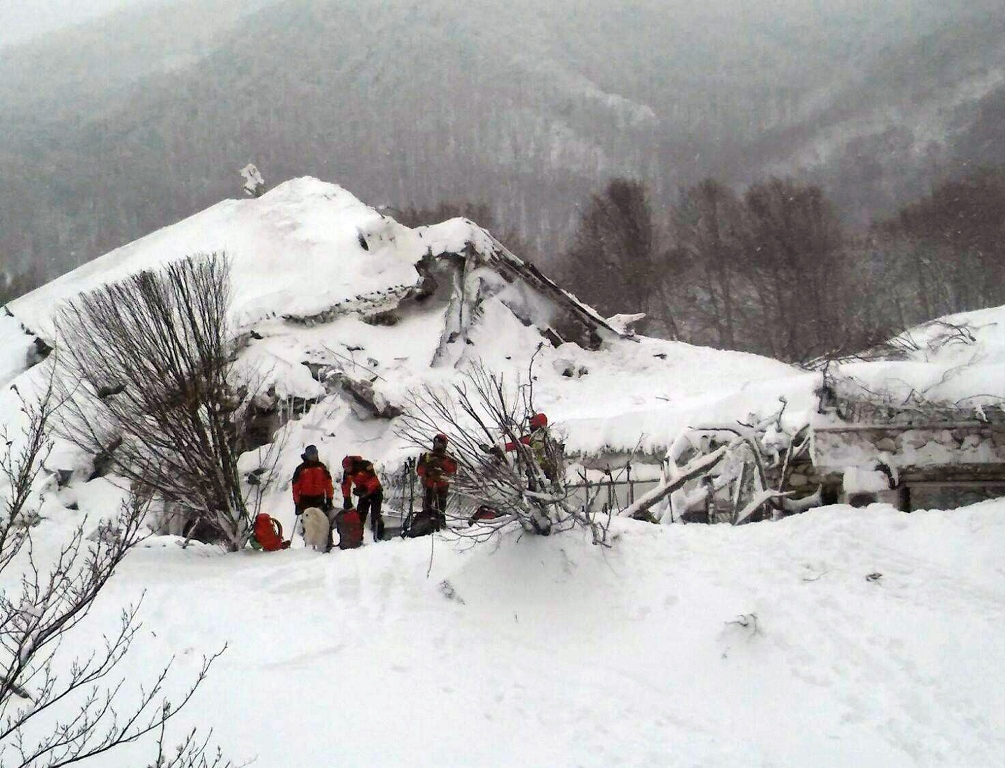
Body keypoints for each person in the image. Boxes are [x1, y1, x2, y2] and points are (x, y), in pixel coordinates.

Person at [416, 433, 458, 530]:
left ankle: (441, 526)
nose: (438, 446)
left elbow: (453, 469)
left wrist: (441, 464)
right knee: (427, 508)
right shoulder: (427, 456)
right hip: (429, 485)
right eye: (436, 443)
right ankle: (426, 526)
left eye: (440, 444)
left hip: (442, 486)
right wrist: (428, 468)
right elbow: (419, 470)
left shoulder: (448, 458)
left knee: (441, 509)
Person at [291, 444, 335, 535]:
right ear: (307, 455)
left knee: (323, 522)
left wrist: (329, 498)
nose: (314, 456)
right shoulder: (301, 469)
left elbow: (328, 484)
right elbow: (295, 487)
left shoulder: (321, 467)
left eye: (315, 453)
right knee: (308, 523)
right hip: (305, 499)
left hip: (319, 498)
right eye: (311, 454)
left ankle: (325, 543)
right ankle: (307, 544)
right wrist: (297, 503)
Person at [504, 412, 558, 482]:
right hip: (551, 471)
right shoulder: (548, 437)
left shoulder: (532, 438)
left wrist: (502, 448)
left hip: (538, 472)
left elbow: (515, 444)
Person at [341, 455, 385, 541]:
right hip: (364, 495)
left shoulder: (364, 465)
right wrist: (347, 498)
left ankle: (379, 537)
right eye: (345, 468)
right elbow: (345, 485)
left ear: (352, 465)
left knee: (375, 516)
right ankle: (358, 538)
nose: (347, 469)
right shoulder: (347, 473)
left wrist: (365, 488)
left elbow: (374, 480)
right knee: (360, 517)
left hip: (375, 492)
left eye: (348, 467)